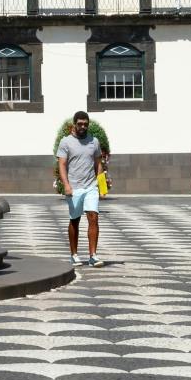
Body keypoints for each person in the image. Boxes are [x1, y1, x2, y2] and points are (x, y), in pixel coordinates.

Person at [56, 110, 109, 268]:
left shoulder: (94, 141)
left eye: (85, 124)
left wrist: (102, 187)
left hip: (91, 186)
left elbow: (98, 164)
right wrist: (66, 185)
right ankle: (74, 254)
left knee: (93, 217)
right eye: (80, 124)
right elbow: (62, 164)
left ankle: (93, 255)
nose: (83, 126)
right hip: (74, 187)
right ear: (74, 124)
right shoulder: (66, 142)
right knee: (75, 220)